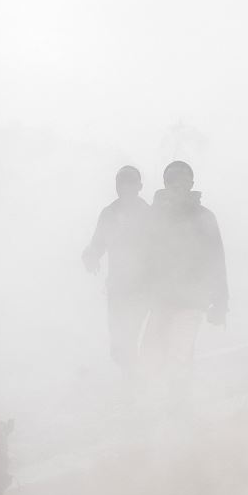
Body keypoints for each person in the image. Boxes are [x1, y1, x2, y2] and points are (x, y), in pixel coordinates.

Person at [141, 161, 227, 397]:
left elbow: (216, 259)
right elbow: (142, 257)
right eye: (173, 181)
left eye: (183, 181)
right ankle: (152, 403)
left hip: (191, 299)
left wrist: (221, 302)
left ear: (191, 183)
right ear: (166, 184)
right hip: (161, 299)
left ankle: (177, 411)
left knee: (179, 355)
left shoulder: (204, 217)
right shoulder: (154, 216)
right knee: (149, 353)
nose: (179, 186)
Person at [82, 165, 153, 367]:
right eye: (121, 184)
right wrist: (90, 256)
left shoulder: (147, 213)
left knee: (130, 335)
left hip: (143, 286)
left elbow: (160, 247)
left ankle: (136, 380)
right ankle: (131, 378)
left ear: (139, 186)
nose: (125, 189)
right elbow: (98, 242)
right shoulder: (110, 213)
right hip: (118, 287)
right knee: (119, 340)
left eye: (130, 184)